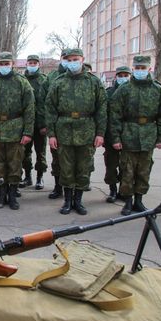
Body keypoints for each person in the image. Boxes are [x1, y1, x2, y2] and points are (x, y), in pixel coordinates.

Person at [45, 48, 107, 215]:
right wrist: (51, 134)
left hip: (86, 131)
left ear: (82, 59)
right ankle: (67, 201)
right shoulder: (58, 82)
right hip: (64, 131)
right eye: (69, 59)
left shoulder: (93, 82)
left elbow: (102, 109)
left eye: (75, 59)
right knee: (66, 168)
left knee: (83, 168)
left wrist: (100, 133)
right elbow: (50, 109)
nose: (72, 62)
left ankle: (78, 201)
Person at [109, 55, 161, 215]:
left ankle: (139, 201)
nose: (140, 71)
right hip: (128, 135)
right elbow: (114, 115)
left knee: (144, 171)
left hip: (148, 135)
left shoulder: (157, 90)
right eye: (137, 68)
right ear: (133, 69)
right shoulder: (124, 90)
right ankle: (128, 202)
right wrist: (115, 138)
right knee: (127, 171)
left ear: (149, 69)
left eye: (143, 68)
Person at [0, 52, 34, 210]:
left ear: (13, 64)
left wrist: (27, 132)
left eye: (6, 63)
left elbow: (30, 109)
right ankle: (1, 195)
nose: (4, 66)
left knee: (15, 163)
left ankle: (12, 195)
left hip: (15, 128)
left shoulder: (21, 82)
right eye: (1, 63)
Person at [41, 49, 69, 199]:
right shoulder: (52, 77)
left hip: (82, 128)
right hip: (58, 125)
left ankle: (73, 194)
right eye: (66, 58)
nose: (69, 62)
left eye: (72, 59)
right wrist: (46, 125)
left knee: (76, 163)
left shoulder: (89, 79)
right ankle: (58, 187)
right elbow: (44, 102)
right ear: (61, 59)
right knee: (57, 160)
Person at [21, 55, 48, 190]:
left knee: (40, 152)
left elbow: (47, 104)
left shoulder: (44, 80)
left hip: (39, 124)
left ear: (38, 64)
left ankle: (40, 177)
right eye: (30, 63)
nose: (32, 65)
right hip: (25, 124)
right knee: (25, 152)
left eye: (34, 63)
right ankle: (27, 177)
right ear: (26, 64)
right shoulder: (21, 80)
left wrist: (44, 124)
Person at [104, 66, 131, 202]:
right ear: (116, 76)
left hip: (130, 134)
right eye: (120, 75)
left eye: (126, 75)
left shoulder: (133, 91)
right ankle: (113, 190)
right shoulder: (108, 93)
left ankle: (124, 190)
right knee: (111, 164)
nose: (123, 78)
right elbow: (103, 115)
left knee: (127, 166)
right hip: (110, 135)